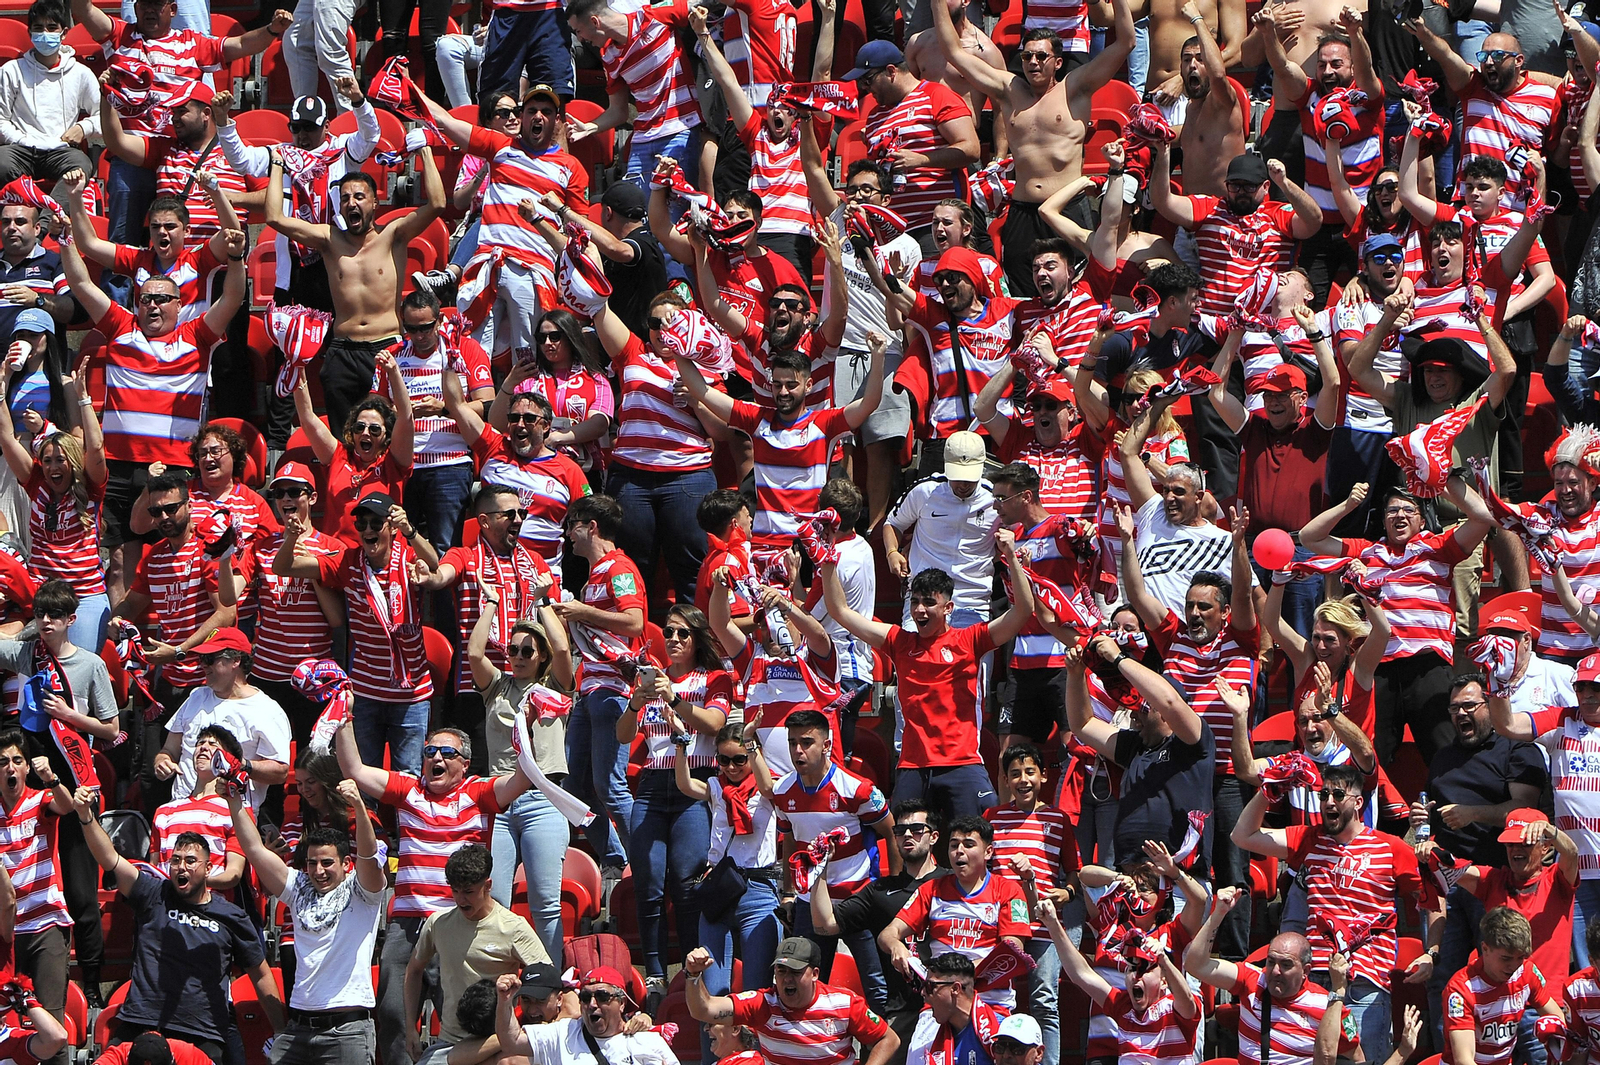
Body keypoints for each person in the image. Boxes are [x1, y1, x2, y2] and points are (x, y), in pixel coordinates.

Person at [61, 200, 244, 604]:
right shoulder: (119, 327)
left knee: (180, 562)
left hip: (174, 468)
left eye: (163, 300)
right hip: (120, 468)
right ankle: (124, 646)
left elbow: (232, 298)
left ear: (180, 306)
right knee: (120, 563)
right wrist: (65, 237)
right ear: (136, 303)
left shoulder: (198, 335)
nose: (155, 306)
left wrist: (235, 258)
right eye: (147, 299)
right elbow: (81, 284)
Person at [332, 709, 533, 1065]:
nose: (436, 758)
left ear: (465, 763)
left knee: (459, 1019)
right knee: (393, 1013)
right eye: (430, 752)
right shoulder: (408, 790)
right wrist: (343, 713)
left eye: (447, 753)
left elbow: (522, 779)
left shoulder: (480, 792)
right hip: (407, 923)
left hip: (457, 922)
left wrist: (526, 727)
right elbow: (355, 770)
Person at [820, 530, 1034, 824]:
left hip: (962, 764)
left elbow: (1023, 610)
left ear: (948, 608)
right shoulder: (899, 641)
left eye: (929, 603)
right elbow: (840, 611)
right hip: (913, 766)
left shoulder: (970, 639)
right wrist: (828, 560)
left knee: (979, 839)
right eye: (915, 602)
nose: (920, 610)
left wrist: (1010, 556)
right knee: (906, 843)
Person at [1119, 502, 1256, 957]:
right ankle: (1175, 947)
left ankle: (1231, 959)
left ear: (1221, 613)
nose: (1195, 614)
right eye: (1190, 605)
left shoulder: (1242, 638)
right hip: (1181, 774)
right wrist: (1126, 542)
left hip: (1228, 776)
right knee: (1180, 863)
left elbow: (1241, 597)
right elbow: (1138, 595)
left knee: (1232, 868)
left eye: (1204, 608)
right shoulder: (1173, 635)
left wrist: (1237, 544)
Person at [921, 0, 1132, 292]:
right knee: (1022, 295)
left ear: (1058, 61)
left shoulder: (1077, 87)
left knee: (1077, 294)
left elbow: (1126, 42)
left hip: (1067, 211)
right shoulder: (1009, 90)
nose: (1033, 62)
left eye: (1041, 56)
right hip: (1022, 212)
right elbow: (953, 51)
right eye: (1027, 56)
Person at [1232, 760, 1437, 1060]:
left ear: (1357, 802)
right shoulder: (1308, 839)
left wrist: (1431, 951)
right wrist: (1268, 791)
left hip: (1366, 983)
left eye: (1338, 795)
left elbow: (1434, 900)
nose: (1329, 802)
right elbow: (1242, 836)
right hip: (1316, 981)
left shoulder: (1389, 848)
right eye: (1324, 795)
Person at [72, 783, 282, 1060]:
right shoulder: (152, 893)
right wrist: (86, 817)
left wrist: (282, 1031)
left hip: (201, 1032)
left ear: (209, 868)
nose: (182, 867)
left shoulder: (231, 916)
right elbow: (110, 858)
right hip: (142, 1024)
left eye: (191, 861)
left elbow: (261, 973)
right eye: (176, 860)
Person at [69, 0, 286, 246]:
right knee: (123, 242)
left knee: (180, 236)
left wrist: (272, 30)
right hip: (134, 154)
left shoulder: (193, 43)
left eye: (157, 5)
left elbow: (241, 44)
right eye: (144, 4)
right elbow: (83, 9)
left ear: (172, 9)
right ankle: (122, 285)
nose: (149, 10)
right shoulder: (119, 34)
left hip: (176, 154)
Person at [263, 143, 445, 432]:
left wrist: (423, 149)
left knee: (390, 432)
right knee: (343, 437)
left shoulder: (394, 235)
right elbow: (274, 218)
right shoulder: (328, 239)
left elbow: (437, 204)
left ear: (374, 203)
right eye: (345, 197)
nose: (352, 203)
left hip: (386, 348)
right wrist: (276, 164)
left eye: (360, 196)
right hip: (342, 352)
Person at [416, 84, 589, 365]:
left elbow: (580, 231)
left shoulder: (571, 167)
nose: (538, 117)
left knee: (529, 359)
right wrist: (414, 90)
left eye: (546, 112)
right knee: (470, 357)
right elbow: (446, 122)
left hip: (533, 270)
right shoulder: (499, 146)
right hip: (487, 265)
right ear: (521, 117)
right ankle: (476, 407)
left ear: (557, 121)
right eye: (532, 110)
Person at [615, 603, 733, 995]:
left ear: (697, 638)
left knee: (685, 883)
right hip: (652, 784)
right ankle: (654, 974)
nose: (674, 639)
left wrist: (675, 699)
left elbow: (714, 725)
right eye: (669, 632)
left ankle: (688, 971)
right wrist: (636, 700)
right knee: (647, 882)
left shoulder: (714, 678)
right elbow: (622, 735)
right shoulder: (651, 681)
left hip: (694, 781)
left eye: (683, 633)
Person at [276, 491, 437, 775]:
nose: (367, 531)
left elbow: (434, 564)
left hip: (412, 693)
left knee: (408, 779)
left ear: (391, 526)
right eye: (361, 525)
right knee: (362, 777)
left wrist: (410, 531)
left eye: (375, 523)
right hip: (366, 691)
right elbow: (283, 566)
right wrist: (291, 538)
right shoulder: (347, 561)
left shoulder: (410, 555)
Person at [232, 773, 384, 1065]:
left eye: (327, 863)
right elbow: (253, 849)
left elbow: (368, 853)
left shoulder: (362, 890)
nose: (319, 871)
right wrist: (234, 800)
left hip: (347, 1029)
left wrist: (359, 807)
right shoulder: (298, 885)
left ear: (345, 864)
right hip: (298, 1027)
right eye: (312, 863)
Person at [108, 471, 237, 802]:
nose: (163, 517)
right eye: (156, 512)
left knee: (208, 775)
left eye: (171, 509)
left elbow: (226, 614)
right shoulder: (155, 557)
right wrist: (117, 622)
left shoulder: (209, 551)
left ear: (189, 505)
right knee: (155, 775)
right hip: (169, 682)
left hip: (209, 682)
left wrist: (179, 651)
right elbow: (132, 604)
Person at [1421, 808, 1579, 1060]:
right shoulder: (1494, 879)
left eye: (1525, 843)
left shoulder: (1557, 880)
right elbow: (1452, 869)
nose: (1517, 850)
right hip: (1490, 1003)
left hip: (1540, 1004)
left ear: (1546, 848)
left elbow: (1571, 854)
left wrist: (1552, 831)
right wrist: (1426, 851)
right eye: (1511, 844)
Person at [466, 579, 570, 958]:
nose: (520, 655)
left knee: (545, 905)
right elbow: (475, 653)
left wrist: (542, 603)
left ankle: (549, 984)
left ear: (540, 655)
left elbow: (562, 646)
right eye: (513, 649)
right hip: (501, 802)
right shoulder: (497, 687)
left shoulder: (556, 686)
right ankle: (501, 982)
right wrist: (491, 603)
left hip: (544, 800)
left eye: (528, 649)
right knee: (498, 902)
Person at [212, 82, 380, 309]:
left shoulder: (341, 150)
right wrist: (223, 122)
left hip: (336, 255)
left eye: (310, 127)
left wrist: (359, 102)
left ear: (327, 126)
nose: (302, 135)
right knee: (293, 336)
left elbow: (370, 136)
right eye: (296, 127)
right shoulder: (282, 154)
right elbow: (242, 161)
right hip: (295, 262)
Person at [1260, 14, 1387, 301]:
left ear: (1352, 67)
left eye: (1336, 64)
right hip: (1317, 226)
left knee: (1371, 301)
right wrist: (1269, 35)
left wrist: (1355, 34)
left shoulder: (1368, 96)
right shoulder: (1309, 96)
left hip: (1362, 221)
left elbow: (1366, 68)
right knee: (1308, 303)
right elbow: (1282, 67)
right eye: (1322, 65)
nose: (1328, 71)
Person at [1066, 636, 1215, 876]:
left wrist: (1118, 658)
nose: (1134, 715)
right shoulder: (1135, 747)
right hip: (1132, 879)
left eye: (1142, 707)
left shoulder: (1193, 743)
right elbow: (1082, 725)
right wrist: (1075, 675)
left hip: (1180, 880)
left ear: (1163, 713)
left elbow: (1170, 701)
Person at [1488, 652, 1600, 967]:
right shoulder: (1562, 719)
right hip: (1577, 869)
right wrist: (1499, 686)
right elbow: (1507, 725)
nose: (1588, 695)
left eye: (1596, 687)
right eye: (1581, 687)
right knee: (1588, 966)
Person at [555, 493, 644, 881]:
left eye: (572, 526)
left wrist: (580, 610)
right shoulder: (596, 574)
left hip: (612, 692)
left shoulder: (618, 567)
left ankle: (643, 860)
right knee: (574, 786)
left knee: (610, 785)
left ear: (592, 527)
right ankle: (617, 856)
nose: (567, 536)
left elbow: (635, 621)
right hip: (589, 690)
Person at [675, 720, 779, 1055]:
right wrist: (680, 743)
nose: (731, 767)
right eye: (724, 760)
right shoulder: (717, 788)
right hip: (720, 888)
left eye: (739, 760)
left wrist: (752, 744)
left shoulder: (767, 787)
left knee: (754, 993)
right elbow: (683, 784)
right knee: (712, 989)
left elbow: (769, 789)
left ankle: (756, 1060)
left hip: (758, 888)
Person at [809, 800, 943, 1055]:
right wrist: (820, 870)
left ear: (933, 836)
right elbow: (825, 925)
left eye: (916, 829)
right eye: (900, 831)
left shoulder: (950, 882)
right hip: (900, 1011)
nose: (907, 835)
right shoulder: (880, 891)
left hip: (948, 1005)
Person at [406, 845, 548, 1065]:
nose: (461, 900)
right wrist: (410, 1027)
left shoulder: (513, 927)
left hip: (496, 1042)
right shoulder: (438, 924)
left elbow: (547, 979)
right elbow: (414, 971)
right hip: (449, 1042)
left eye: (469, 891)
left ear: (487, 885)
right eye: (456, 891)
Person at [1184, 888, 1359, 1065]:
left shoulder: (1329, 1007)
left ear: (1305, 971)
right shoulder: (1251, 979)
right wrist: (1218, 913)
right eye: (1271, 962)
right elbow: (1196, 965)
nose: (1275, 971)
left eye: (1286, 965)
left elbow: (1358, 1058)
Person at [239, 462, 345, 746]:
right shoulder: (260, 547)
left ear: (312, 497)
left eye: (294, 491)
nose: (286, 499)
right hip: (267, 673)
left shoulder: (334, 548)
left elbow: (336, 619)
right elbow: (230, 596)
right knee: (267, 759)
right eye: (279, 493)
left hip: (314, 673)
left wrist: (307, 565)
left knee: (313, 763)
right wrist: (224, 557)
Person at [1404, 20, 1559, 208]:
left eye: (1498, 55)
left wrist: (1566, 141)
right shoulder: (1473, 86)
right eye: (1484, 56)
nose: (1489, 62)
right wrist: (1423, 33)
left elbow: (1558, 157)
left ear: (1518, 61)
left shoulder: (1547, 97)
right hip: (1470, 210)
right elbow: (1445, 56)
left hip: (1520, 214)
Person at [880, 816, 1030, 1009]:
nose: (959, 851)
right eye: (953, 845)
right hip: (940, 1002)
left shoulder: (1009, 890)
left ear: (988, 852)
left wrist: (960, 974)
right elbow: (887, 934)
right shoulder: (931, 889)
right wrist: (895, 946)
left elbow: (1013, 951)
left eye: (968, 845)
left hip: (991, 1001)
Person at [1151, 150, 1322, 317]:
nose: (1241, 192)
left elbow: (1314, 220)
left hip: (1259, 327)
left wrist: (1284, 183)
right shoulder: (1210, 208)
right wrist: (1163, 153)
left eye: (1249, 186)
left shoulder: (1278, 214)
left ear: (1266, 186)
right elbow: (1163, 201)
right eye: (1235, 186)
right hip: (1209, 321)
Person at [683, 937, 902, 1065]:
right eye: (781, 970)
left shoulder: (844, 1004)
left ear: (815, 973)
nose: (787, 979)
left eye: (795, 972)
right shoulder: (762, 1004)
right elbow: (704, 1010)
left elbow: (889, 1039)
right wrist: (693, 975)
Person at [97, 81, 265, 248]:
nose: (174, 118)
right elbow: (117, 142)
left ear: (206, 113)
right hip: (169, 261)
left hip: (221, 260)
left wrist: (234, 198)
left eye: (182, 111)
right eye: (173, 112)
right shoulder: (163, 148)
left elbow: (272, 199)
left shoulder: (239, 151)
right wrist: (107, 95)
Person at [443, 374, 589, 566]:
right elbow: (457, 405)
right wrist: (448, 364)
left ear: (546, 426)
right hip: (491, 571)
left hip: (544, 575)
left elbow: (589, 524)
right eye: (514, 418)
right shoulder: (493, 447)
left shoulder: (570, 470)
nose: (520, 424)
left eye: (529, 419)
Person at [845, 41, 979, 250]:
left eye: (868, 79)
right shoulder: (874, 116)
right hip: (892, 228)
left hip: (934, 225)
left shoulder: (936, 95)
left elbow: (971, 149)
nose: (865, 88)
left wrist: (923, 159)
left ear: (891, 71)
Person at [988, 744, 1075, 1065]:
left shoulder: (1058, 819)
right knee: (997, 999)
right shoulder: (992, 818)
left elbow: (1074, 873)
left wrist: (1068, 892)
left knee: (1044, 1001)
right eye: (1014, 774)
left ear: (1042, 776)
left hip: (1045, 925)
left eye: (1029, 772)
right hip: (1003, 924)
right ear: (1006, 781)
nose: (1023, 780)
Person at [1040, 896, 1200, 1065]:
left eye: (1144, 969)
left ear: (1164, 981)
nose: (1136, 975)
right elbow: (1081, 973)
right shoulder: (1123, 1006)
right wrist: (1053, 925)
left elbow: (1188, 1000)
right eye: (1131, 968)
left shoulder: (1176, 1009)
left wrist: (1165, 961)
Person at [565, 0, 701, 197]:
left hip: (679, 130)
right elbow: (619, 111)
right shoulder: (608, 54)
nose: (580, 38)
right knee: (635, 216)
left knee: (675, 213)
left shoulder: (652, 16)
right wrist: (590, 127)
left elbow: (698, 4)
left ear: (595, 21)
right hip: (642, 140)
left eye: (578, 30)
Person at [152, 626, 290, 812]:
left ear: (235, 660)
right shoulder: (196, 697)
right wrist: (162, 762)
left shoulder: (267, 710)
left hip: (230, 816)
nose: (204, 665)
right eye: (202, 659)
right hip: (181, 811)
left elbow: (280, 772)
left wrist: (241, 765)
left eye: (210, 659)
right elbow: (169, 749)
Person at [1442, 906, 1564, 1065]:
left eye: (1520, 957)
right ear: (1485, 948)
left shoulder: (1527, 972)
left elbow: (1558, 1019)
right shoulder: (1460, 990)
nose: (1513, 966)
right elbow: (1463, 1060)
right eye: (1506, 958)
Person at [0, 0, 99, 186]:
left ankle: (49, 216)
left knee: (80, 166)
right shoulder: (11, 71)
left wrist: (83, 128)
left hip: (61, 151)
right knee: (1, 163)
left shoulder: (80, 73)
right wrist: (21, 139)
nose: (45, 34)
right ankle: (24, 212)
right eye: (38, 28)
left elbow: (103, 114)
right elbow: (1, 119)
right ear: (30, 32)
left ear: (64, 33)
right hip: (20, 150)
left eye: (52, 27)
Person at [492, 966, 676, 1065]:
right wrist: (504, 1001)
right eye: (586, 997)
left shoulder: (647, 1041)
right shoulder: (561, 1033)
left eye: (603, 997)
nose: (592, 1004)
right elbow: (511, 1042)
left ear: (621, 1003)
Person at [150, 725, 246, 892]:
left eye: (213, 744)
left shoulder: (237, 812)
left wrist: (192, 883)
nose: (204, 747)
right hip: (166, 907)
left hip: (210, 908)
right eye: (200, 742)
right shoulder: (164, 812)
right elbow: (154, 869)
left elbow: (234, 874)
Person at [901, 953, 1006, 1065]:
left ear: (955, 989)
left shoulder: (998, 1032)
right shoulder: (929, 1040)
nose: (923, 993)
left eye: (930, 986)